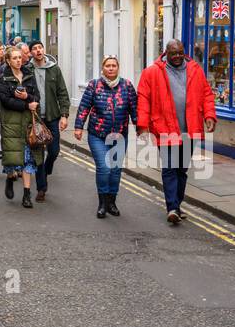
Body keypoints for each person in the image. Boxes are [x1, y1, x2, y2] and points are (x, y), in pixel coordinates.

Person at [137, 39, 217, 225]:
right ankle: (172, 207)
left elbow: (207, 95)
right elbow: (143, 99)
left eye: (180, 52)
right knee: (170, 168)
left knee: (182, 169)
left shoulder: (195, 69)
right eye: (174, 53)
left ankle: (177, 205)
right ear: (166, 53)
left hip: (190, 129)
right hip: (165, 127)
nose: (177, 56)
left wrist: (209, 116)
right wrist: (142, 126)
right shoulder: (152, 72)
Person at [76, 56, 138, 218]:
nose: (111, 68)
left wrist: (140, 127)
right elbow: (84, 107)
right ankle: (102, 203)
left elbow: (134, 108)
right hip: (98, 135)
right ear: (102, 68)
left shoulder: (127, 86)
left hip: (119, 135)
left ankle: (112, 202)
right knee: (104, 168)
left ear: (118, 68)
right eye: (107, 66)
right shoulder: (94, 85)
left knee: (115, 170)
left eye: (114, 66)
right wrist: (78, 127)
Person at [0, 45, 41, 208]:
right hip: (10, 122)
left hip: (28, 122)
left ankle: (27, 195)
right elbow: (5, 100)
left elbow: (37, 96)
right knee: (12, 158)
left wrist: (28, 96)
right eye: (14, 58)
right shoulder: (3, 78)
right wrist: (25, 104)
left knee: (28, 159)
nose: (18, 60)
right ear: (8, 61)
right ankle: (10, 178)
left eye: (19, 57)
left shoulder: (29, 75)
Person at [25, 40, 70, 202]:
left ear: (43, 50)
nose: (38, 51)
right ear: (30, 53)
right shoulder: (27, 70)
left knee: (54, 151)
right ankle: (41, 188)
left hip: (52, 117)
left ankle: (48, 167)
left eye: (40, 48)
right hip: (35, 118)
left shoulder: (54, 69)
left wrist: (64, 115)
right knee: (38, 155)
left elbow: (62, 93)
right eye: (34, 49)